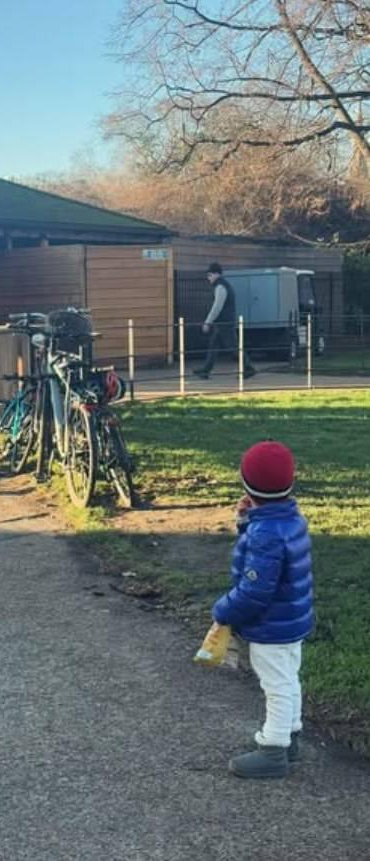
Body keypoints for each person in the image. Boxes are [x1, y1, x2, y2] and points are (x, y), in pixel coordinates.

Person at [211, 440, 313, 779]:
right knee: (287, 679)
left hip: (271, 625)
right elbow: (268, 554)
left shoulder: (266, 533)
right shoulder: (289, 519)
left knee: (276, 685)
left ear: (246, 484)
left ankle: (273, 750)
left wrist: (223, 610)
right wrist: (246, 520)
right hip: (291, 619)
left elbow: (255, 590)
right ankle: (290, 736)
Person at [194, 262, 257, 380]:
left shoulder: (220, 287)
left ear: (216, 274)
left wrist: (208, 321)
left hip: (224, 322)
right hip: (223, 322)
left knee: (233, 347)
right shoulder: (223, 285)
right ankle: (205, 370)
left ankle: (248, 368)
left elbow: (217, 306)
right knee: (214, 346)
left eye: (209, 275)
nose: (208, 278)